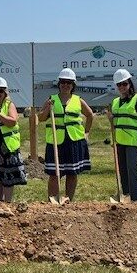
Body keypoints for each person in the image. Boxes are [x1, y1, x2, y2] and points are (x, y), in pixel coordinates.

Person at [38, 68, 94, 202]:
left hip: (74, 141)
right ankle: (53, 200)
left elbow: (90, 115)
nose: (65, 85)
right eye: (63, 82)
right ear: (59, 84)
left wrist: (86, 132)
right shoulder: (51, 99)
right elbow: (40, 118)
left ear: (73, 85)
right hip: (56, 141)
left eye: (69, 82)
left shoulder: (78, 100)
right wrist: (47, 108)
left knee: (72, 172)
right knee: (54, 173)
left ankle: (69, 200)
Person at [106, 69, 137, 201]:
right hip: (119, 141)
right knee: (122, 169)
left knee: (131, 169)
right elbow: (115, 123)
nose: (122, 87)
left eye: (124, 84)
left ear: (129, 83)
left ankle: (136, 198)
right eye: (119, 85)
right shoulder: (115, 102)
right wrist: (110, 119)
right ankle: (126, 194)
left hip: (132, 141)